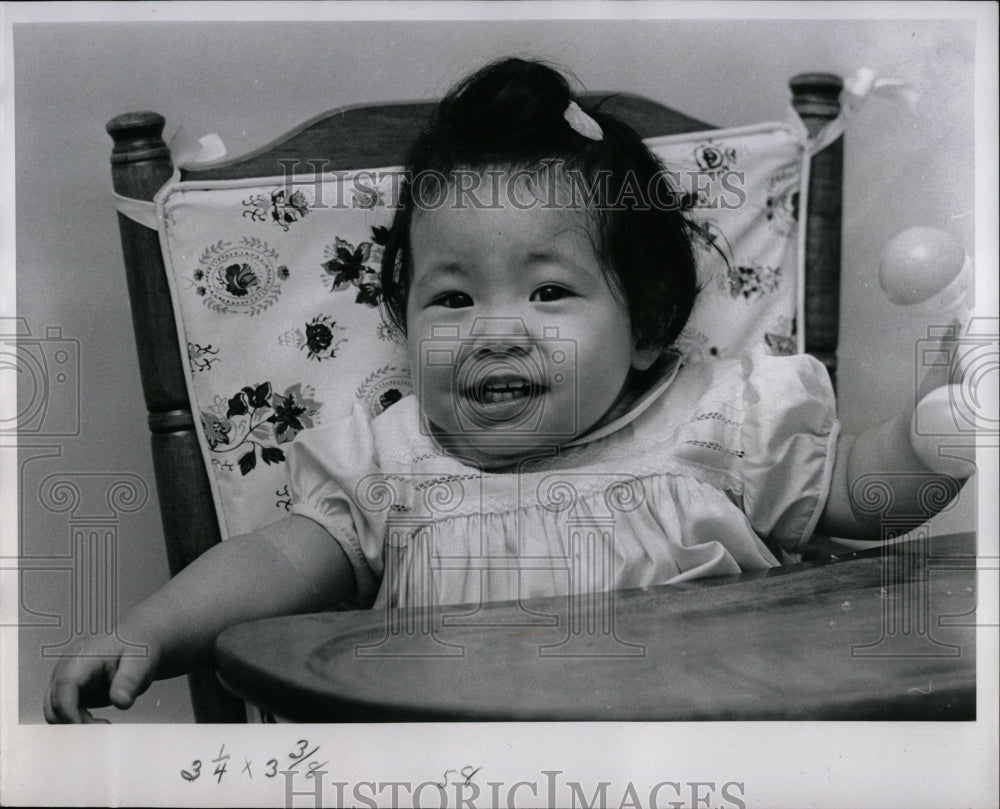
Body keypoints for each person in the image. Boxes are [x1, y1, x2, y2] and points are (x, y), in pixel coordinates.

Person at [44, 58, 970, 723]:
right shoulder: (396, 465)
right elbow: (276, 564)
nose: (494, 329)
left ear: (644, 324)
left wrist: (937, 434)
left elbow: (860, 495)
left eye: (549, 290)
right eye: (451, 297)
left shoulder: (718, 424)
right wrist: (152, 629)